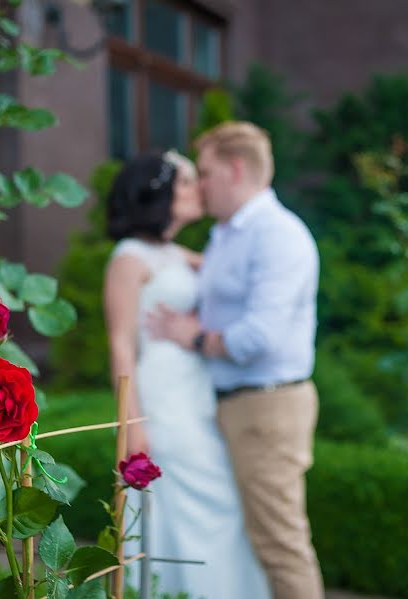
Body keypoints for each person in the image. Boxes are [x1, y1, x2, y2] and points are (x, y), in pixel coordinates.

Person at [147, 122, 325, 599]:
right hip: (226, 403)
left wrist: (195, 336)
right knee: (245, 540)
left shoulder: (278, 235)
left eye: (205, 172)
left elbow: (257, 338)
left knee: (280, 543)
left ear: (236, 169)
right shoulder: (229, 234)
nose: (200, 184)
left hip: (266, 408)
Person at [103, 150, 270, 599]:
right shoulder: (129, 258)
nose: (198, 189)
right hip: (160, 399)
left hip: (196, 394)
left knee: (222, 506)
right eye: (186, 182)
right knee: (188, 507)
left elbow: (231, 278)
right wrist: (131, 422)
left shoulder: (179, 254)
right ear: (157, 194)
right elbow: (120, 342)